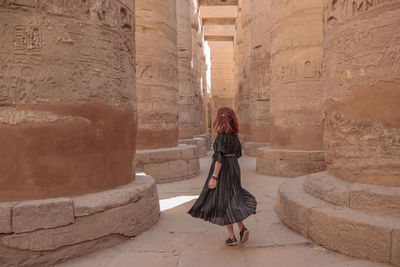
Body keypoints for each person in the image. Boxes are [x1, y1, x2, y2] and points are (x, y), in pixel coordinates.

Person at [188, 107, 257, 246]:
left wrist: (214, 176)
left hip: (223, 169)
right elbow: (238, 153)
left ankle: (232, 237)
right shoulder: (234, 135)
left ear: (219, 119)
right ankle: (241, 229)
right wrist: (231, 162)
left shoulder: (221, 136)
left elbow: (219, 159)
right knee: (233, 197)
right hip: (234, 167)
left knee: (223, 201)